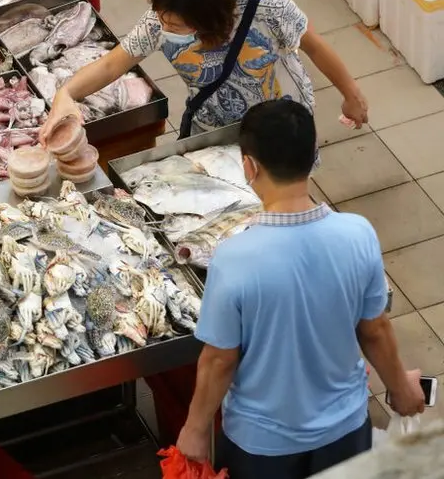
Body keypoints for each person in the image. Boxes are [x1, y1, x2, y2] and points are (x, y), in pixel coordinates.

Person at [175, 99, 425, 479]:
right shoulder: (357, 234)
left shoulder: (234, 258)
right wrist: (401, 389)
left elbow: (220, 360)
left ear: (249, 166)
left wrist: (195, 428)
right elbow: (374, 329)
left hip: (261, 447)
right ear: (314, 154)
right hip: (345, 432)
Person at [38, 0, 368, 143]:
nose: (165, 29)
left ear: (210, 20)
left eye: (178, 27)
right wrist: (66, 94)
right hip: (215, 130)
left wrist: (351, 94)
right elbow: (112, 65)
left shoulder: (263, 2)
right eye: (163, 20)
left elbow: (311, 42)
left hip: (281, 126)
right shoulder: (162, 19)